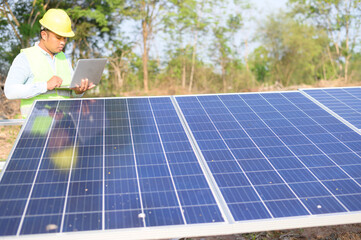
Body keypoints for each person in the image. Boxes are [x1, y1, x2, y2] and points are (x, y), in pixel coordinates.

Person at [4, 8, 95, 118]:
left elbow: (69, 93)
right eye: (58, 38)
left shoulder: (64, 58)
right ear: (44, 35)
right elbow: (10, 91)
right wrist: (45, 85)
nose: (62, 42)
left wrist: (79, 91)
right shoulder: (25, 57)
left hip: (63, 128)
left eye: (65, 38)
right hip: (34, 130)